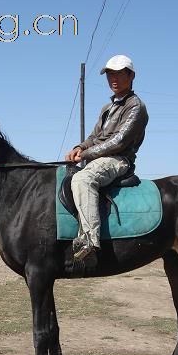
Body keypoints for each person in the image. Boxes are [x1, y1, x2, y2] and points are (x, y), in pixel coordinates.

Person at [65, 54, 149, 262]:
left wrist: (84, 155)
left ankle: (90, 240)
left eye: (119, 74)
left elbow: (118, 142)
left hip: (119, 159)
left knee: (83, 179)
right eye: (110, 74)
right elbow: (94, 137)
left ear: (131, 76)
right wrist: (79, 147)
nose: (114, 79)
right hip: (99, 158)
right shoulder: (108, 108)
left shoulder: (135, 106)